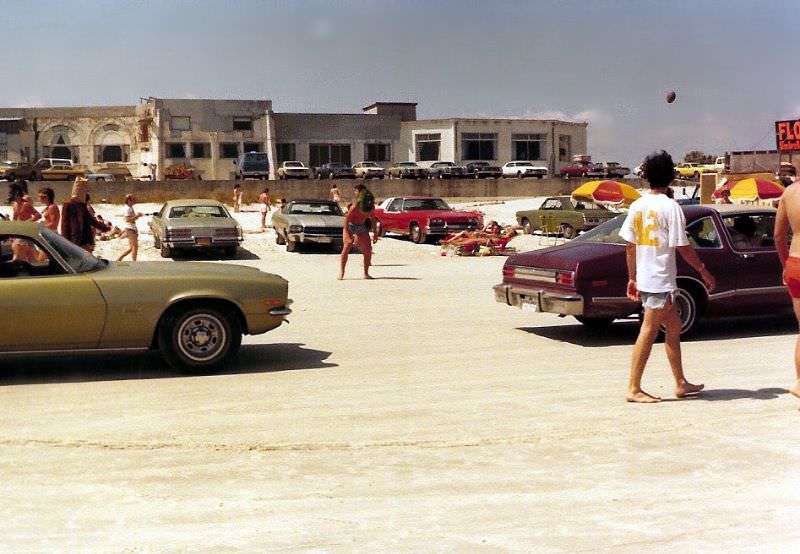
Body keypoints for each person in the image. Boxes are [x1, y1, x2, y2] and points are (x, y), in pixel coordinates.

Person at [619, 150, 716, 403]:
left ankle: (681, 382)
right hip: (660, 279)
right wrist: (703, 270)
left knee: (673, 326)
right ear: (671, 177)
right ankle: (633, 387)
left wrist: (632, 277)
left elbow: (630, 246)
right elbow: (683, 246)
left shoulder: (637, 205)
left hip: (649, 277)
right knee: (649, 330)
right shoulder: (671, 207)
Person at [774, 181, 800, 399]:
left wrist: (784, 266)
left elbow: (778, 235)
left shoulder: (789, 193)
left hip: (794, 262)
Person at [339, 182, 378, 280]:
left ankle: (366, 273)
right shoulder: (355, 206)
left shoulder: (370, 207)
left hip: (361, 226)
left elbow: (373, 219)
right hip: (350, 226)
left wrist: (375, 233)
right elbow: (347, 219)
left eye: (356, 191)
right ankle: (342, 271)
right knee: (347, 246)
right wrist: (347, 233)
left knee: (368, 249)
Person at [60, 177, 109, 253]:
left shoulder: (81, 206)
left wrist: (104, 227)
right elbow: (65, 225)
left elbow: (90, 220)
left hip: (83, 239)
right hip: (77, 239)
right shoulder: (69, 205)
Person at [117, 194, 143, 261]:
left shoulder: (130, 208)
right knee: (135, 246)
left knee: (132, 247)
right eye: (133, 199)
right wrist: (137, 216)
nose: (135, 200)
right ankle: (134, 262)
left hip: (131, 228)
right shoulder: (128, 209)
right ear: (129, 200)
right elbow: (127, 219)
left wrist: (137, 216)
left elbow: (131, 219)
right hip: (130, 229)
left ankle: (119, 259)